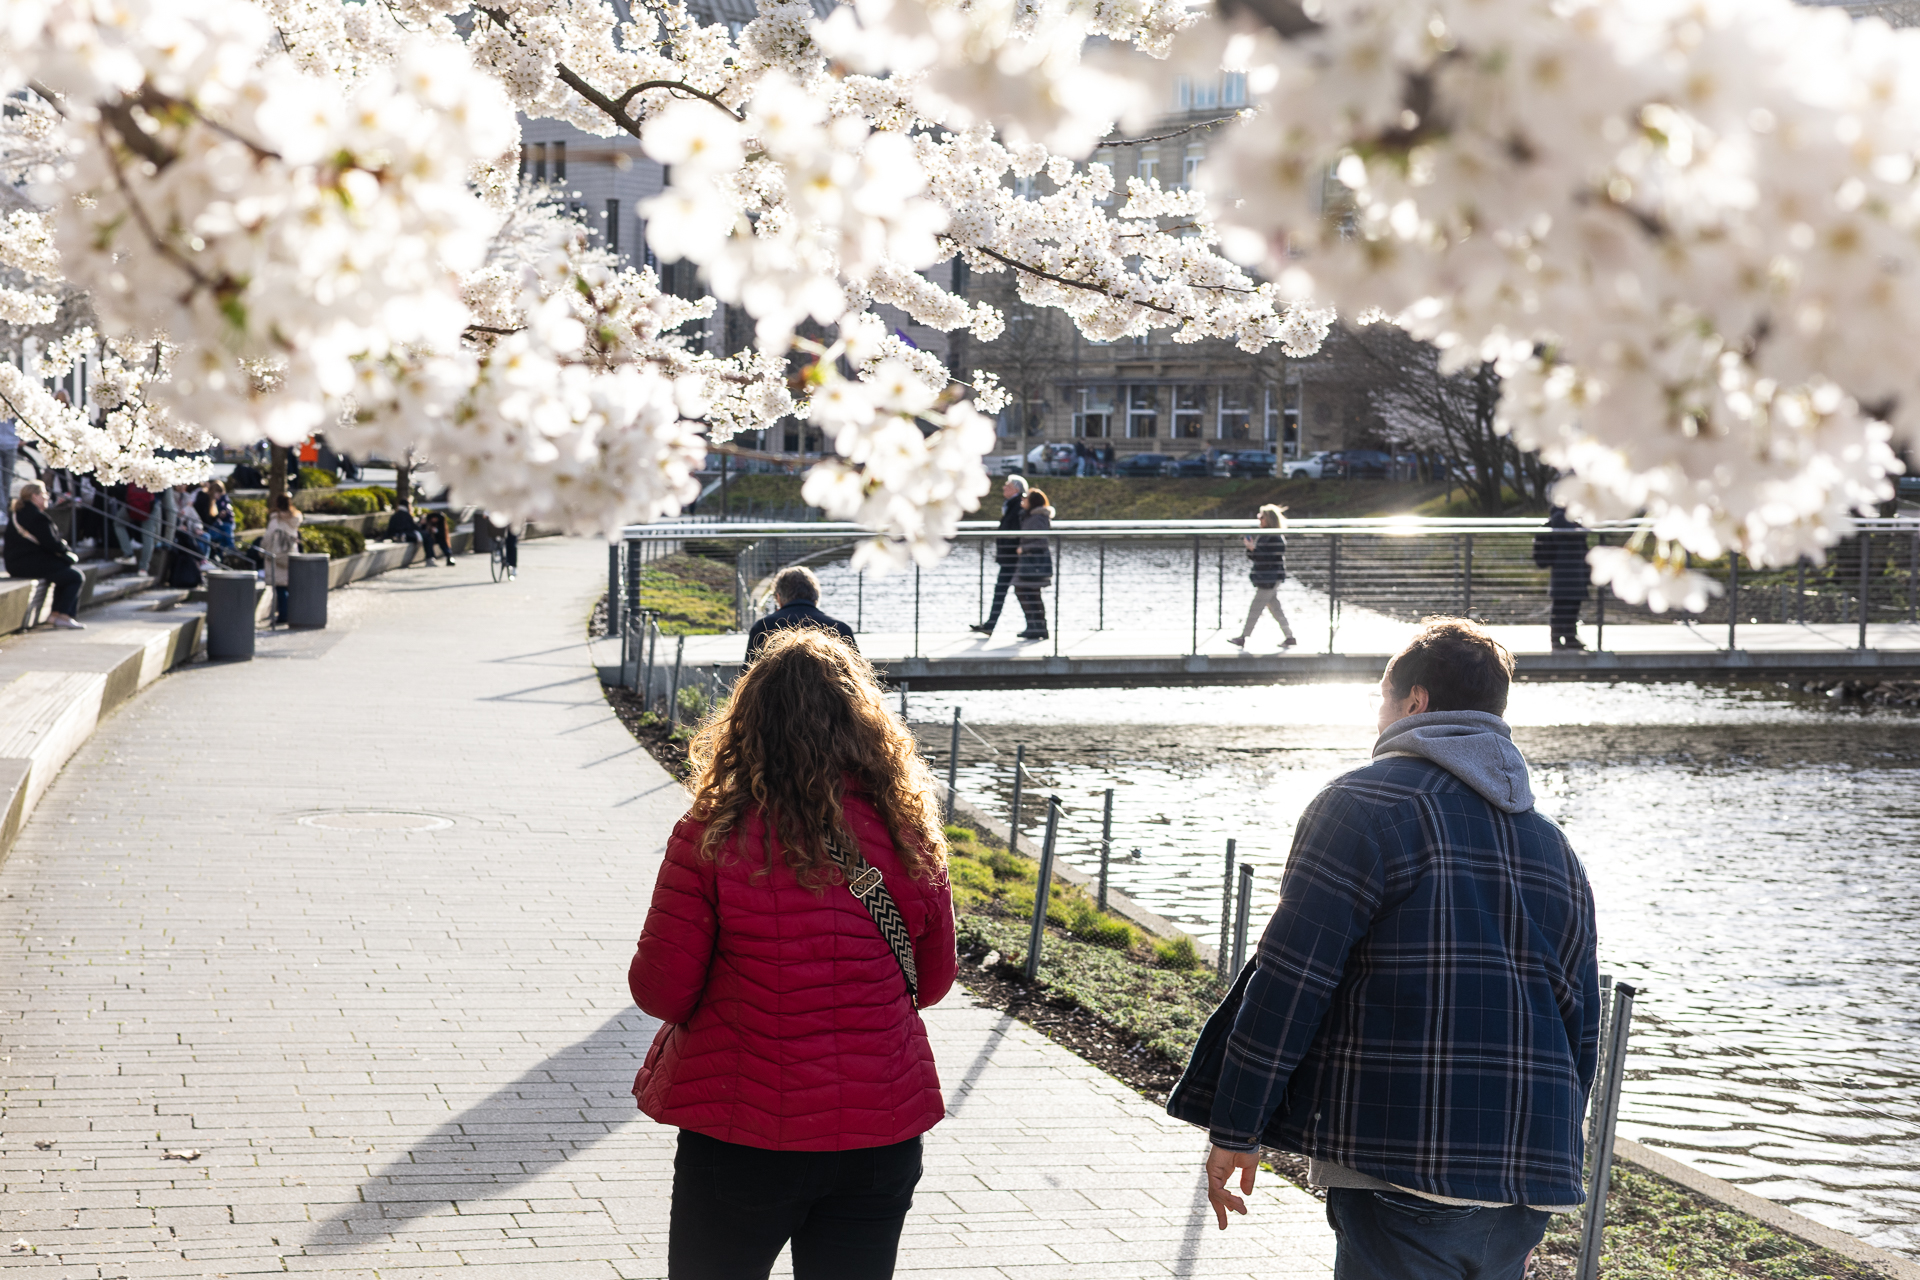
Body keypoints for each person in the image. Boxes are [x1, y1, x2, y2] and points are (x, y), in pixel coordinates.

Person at [1170, 619, 1600, 1280]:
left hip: (1406, 1161)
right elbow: (1582, 1028)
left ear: (1415, 702)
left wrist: (1236, 1127)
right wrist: (1539, 1167)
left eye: (1380, 698)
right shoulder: (1552, 846)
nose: (1376, 716)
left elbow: (1291, 981)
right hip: (1524, 1185)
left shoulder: (1361, 805)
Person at [629, 628, 957, 1280]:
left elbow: (660, 992)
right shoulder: (908, 831)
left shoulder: (710, 832)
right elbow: (936, 980)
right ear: (864, 723)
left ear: (747, 722)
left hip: (740, 1129)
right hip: (878, 1131)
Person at [4, 480, 86, 630]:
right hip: (27, 563)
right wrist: (65, 552)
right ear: (34, 496)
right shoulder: (35, 516)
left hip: (19, 562)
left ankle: (56, 614)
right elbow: (50, 542)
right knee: (75, 576)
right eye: (44, 493)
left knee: (65, 572)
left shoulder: (20, 513)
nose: (47, 497)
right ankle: (64, 615)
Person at [745, 566, 857, 661]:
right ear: (816, 596)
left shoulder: (762, 627)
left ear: (778, 597)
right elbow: (860, 679)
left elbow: (746, 679)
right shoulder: (841, 629)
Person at [1227, 503, 1298, 651]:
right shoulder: (1265, 535)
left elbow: (1269, 559)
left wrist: (1254, 549)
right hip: (1266, 578)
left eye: (1261, 517)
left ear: (1269, 519)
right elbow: (1259, 557)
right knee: (1275, 609)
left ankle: (1243, 637)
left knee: (1256, 607)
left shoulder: (1275, 538)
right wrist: (1251, 549)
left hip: (1270, 579)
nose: (1259, 519)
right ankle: (1290, 637)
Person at [969, 475, 1028, 637]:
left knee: (1013, 591)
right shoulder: (1012, 505)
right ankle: (991, 625)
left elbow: (1016, 530)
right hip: (1009, 556)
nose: (1003, 488)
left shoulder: (1018, 506)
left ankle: (992, 625)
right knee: (1017, 591)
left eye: (1007, 485)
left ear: (1016, 489)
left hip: (1012, 557)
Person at [1533, 507, 1591, 650]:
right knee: (1563, 606)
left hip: (1570, 569)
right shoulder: (1561, 517)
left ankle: (1567, 637)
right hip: (1566, 570)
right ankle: (1560, 638)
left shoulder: (1565, 516)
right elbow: (1578, 534)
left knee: (1570, 606)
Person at [1014, 487, 1053, 641]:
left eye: (1026, 498)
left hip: (1034, 561)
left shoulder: (1038, 518)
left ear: (1033, 501)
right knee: (1028, 593)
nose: (1023, 500)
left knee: (1030, 593)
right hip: (1028, 561)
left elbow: (1042, 541)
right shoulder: (1029, 516)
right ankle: (1035, 626)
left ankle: (1037, 627)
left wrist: (1024, 548)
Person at [261, 494, 302, 625]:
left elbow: (268, 538)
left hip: (277, 555)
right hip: (291, 554)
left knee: (280, 588)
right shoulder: (294, 519)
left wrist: (263, 551)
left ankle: (283, 615)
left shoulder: (276, 520)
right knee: (290, 586)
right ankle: (293, 613)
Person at [196, 480, 236, 552]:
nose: (219, 497)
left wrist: (218, 516)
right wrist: (217, 516)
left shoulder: (212, 501)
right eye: (219, 494)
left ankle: (231, 548)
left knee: (227, 526)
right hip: (204, 526)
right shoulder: (204, 498)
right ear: (214, 492)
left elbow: (211, 518)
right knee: (222, 536)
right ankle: (224, 551)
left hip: (210, 525)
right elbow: (206, 519)